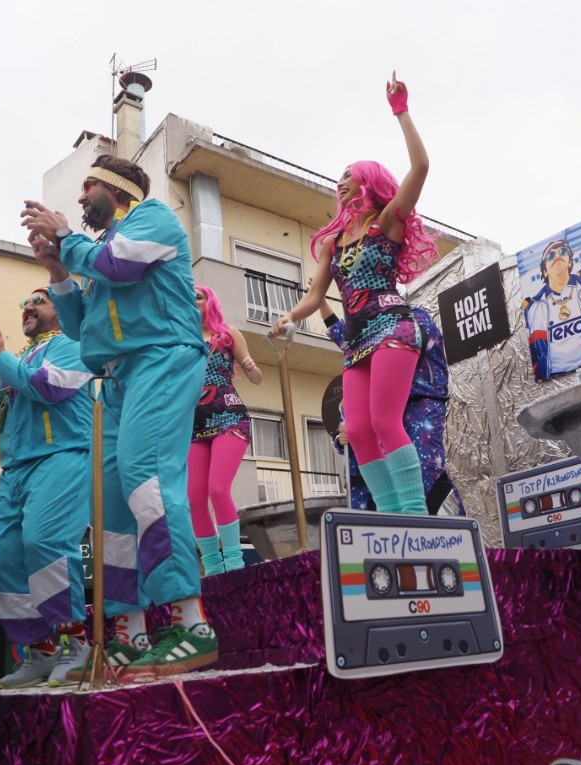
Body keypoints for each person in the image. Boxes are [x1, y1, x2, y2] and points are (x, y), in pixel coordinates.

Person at [21, 154, 217, 678]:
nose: (80, 197)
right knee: (109, 506)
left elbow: (118, 266)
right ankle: (129, 634)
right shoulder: (101, 248)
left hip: (162, 359)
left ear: (116, 188)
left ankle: (191, 625)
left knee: (146, 478)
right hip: (117, 380)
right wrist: (59, 272)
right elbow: (80, 326)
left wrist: (66, 238)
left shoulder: (153, 219)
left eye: (88, 186)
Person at [269, 72, 437, 515]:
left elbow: (421, 167)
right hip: (357, 339)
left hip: (393, 327)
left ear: (367, 182)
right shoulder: (333, 241)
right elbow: (315, 296)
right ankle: (391, 515)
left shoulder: (388, 220)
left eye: (349, 175)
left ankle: (414, 513)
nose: (340, 182)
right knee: (358, 431)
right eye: (339, 177)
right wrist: (289, 317)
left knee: (384, 421)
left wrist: (401, 110)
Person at [0, 289, 94, 688]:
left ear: (61, 310)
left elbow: (49, 388)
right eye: (25, 303)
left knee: (44, 541)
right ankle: (40, 650)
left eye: (40, 300)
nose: (29, 307)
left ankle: (76, 643)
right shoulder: (18, 358)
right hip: (14, 468)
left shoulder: (75, 344)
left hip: (62, 455)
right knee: (5, 560)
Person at [319, 296, 464, 515]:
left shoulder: (414, 318)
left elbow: (409, 342)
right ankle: (393, 521)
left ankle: (438, 520)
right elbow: (350, 341)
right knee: (384, 466)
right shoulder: (366, 330)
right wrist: (321, 304)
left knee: (425, 465)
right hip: (386, 407)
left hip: (420, 399)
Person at [189, 285, 262, 574]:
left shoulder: (227, 333)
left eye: (197, 296)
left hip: (228, 416)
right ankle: (212, 568)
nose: (191, 299)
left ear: (210, 301)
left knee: (218, 489)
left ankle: (233, 563)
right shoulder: (182, 340)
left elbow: (256, 378)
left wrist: (251, 365)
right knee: (194, 498)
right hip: (194, 424)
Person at [524, 239, 581, 382]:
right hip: (554, 378)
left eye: (562, 251)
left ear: (569, 262)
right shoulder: (533, 308)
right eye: (550, 256)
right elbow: (533, 352)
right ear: (545, 271)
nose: (557, 256)